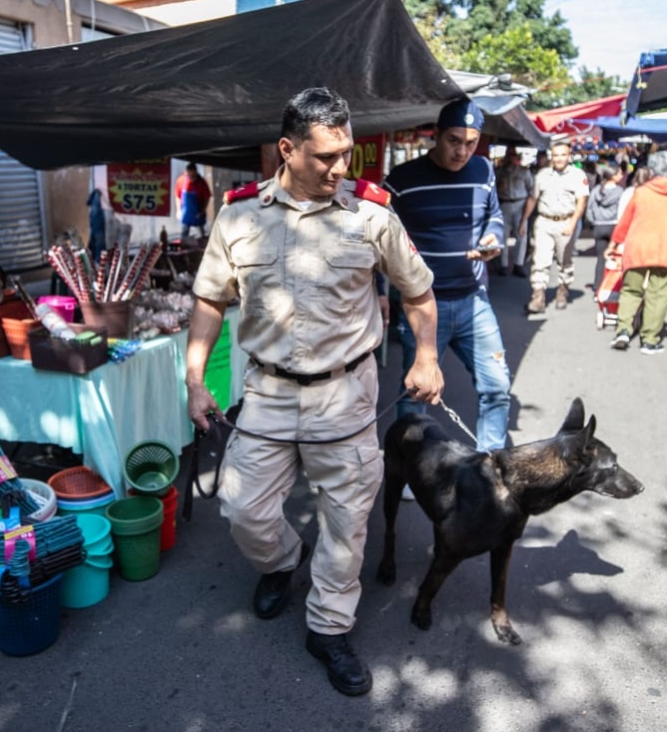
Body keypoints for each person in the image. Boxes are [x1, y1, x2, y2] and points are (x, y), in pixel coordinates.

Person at [185, 87, 443, 697]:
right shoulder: (238, 216)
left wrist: (426, 356)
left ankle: (328, 628)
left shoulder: (372, 216)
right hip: (267, 395)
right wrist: (195, 380)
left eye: (346, 154)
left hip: (345, 395)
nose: (340, 169)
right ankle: (280, 562)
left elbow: (420, 293)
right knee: (242, 508)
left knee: (346, 523)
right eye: (325, 156)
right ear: (287, 149)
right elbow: (207, 301)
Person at [383, 98, 512, 473]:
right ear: (435, 136)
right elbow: (377, 239)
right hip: (423, 306)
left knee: (497, 388)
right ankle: (408, 468)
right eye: (455, 140)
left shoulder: (484, 170)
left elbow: (495, 215)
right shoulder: (402, 181)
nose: (463, 151)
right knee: (416, 393)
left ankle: (492, 467)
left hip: (474, 300)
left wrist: (492, 238)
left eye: (471, 142)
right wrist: (379, 290)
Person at [605, 151, 667, 354]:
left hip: (638, 250)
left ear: (651, 171)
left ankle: (623, 330)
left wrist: (613, 244)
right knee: (658, 295)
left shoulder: (641, 192)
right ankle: (649, 340)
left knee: (631, 291)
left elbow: (624, 222)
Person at [522, 141, 589, 314]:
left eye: (563, 155)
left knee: (564, 261)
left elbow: (582, 201)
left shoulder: (577, 175)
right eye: (556, 155)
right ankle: (538, 296)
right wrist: (524, 221)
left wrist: (573, 223)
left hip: (565, 222)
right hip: (544, 222)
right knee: (540, 260)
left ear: (569, 156)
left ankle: (562, 290)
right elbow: (533, 199)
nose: (559, 159)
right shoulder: (542, 175)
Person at [494, 145, 534, 276]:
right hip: (504, 203)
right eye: (508, 155)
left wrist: (526, 214)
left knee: (521, 235)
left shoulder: (524, 172)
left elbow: (531, 191)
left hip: (520, 203)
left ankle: (519, 264)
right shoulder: (499, 171)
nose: (510, 159)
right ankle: (503, 265)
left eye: (513, 156)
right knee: (503, 235)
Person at [585, 164, 625, 291]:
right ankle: (613, 285)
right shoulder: (620, 192)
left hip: (599, 226)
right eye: (619, 173)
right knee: (615, 257)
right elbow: (623, 210)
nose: (622, 176)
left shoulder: (596, 190)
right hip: (614, 226)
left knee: (601, 258)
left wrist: (594, 221)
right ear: (613, 176)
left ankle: (597, 285)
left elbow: (589, 208)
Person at [175, 162, 212, 241]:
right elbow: (177, 196)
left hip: (198, 213)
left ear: (196, 172)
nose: (191, 177)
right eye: (189, 175)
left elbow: (207, 197)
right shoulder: (181, 180)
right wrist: (178, 210)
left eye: (193, 175)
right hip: (186, 214)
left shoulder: (202, 182)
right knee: (184, 236)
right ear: (186, 172)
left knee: (202, 236)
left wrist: (203, 210)